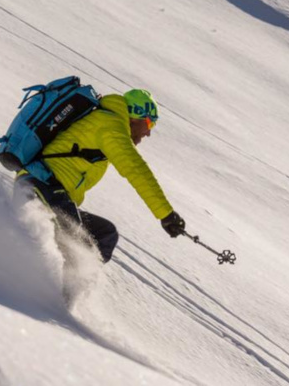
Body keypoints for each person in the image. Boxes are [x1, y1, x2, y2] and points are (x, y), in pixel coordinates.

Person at [14, 89, 186, 263]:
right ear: (136, 116)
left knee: (104, 234)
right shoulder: (110, 126)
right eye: (150, 124)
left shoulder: (108, 122)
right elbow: (136, 170)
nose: (148, 132)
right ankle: (51, 286)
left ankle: (77, 286)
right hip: (40, 185)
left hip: (52, 192)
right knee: (75, 244)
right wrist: (166, 214)